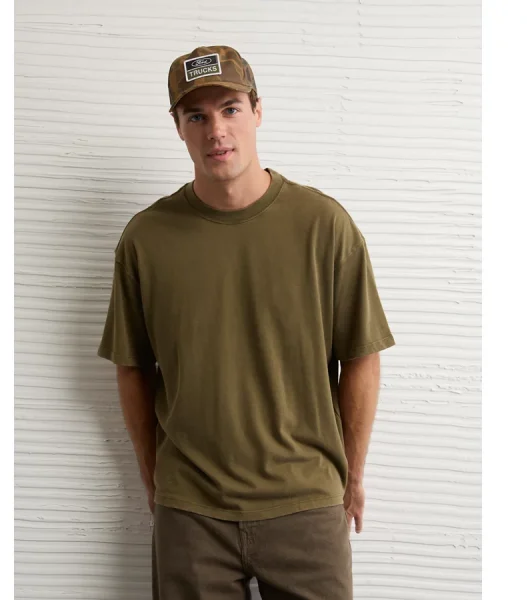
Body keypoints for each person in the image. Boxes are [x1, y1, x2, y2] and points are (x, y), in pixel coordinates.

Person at [97, 44, 396, 600]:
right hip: (192, 512)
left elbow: (361, 356)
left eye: (230, 108)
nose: (216, 130)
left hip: (306, 504)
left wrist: (352, 476)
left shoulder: (323, 225)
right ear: (178, 127)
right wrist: (154, 477)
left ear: (257, 111)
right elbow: (132, 366)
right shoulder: (146, 238)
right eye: (196, 116)